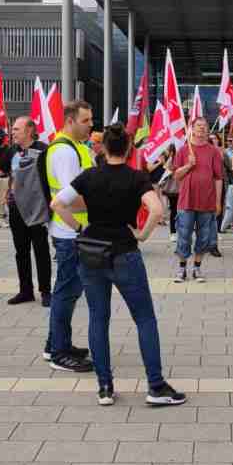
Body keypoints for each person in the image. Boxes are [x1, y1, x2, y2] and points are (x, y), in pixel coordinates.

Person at [50, 124, 186, 407]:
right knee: (144, 318)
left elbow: (57, 203)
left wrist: (78, 227)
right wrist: (142, 234)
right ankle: (156, 385)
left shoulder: (89, 176)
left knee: (98, 319)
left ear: (103, 148)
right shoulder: (136, 178)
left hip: (92, 253)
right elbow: (158, 210)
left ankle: (105, 387)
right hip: (125, 253)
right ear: (127, 148)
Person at [43, 100, 96, 373]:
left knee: (69, 291)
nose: (91, 125)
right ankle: (59, 353)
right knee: (66, 292)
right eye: (86, 120)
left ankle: (55, 344)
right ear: (70, 121)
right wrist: (101, 203)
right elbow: (68, 198)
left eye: (91, 120)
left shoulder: (74, 147)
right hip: (70, 231)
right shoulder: (65, 151)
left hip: (71, 230)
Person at [0, 117, 51, 306]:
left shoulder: (44, 149)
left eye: (16, 129)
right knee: (21, 251)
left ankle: (46, 291)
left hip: (37, 208)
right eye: (12, 129)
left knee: (41, 249)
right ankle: (25, 291)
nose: (12, 132)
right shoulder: (11, 151)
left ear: (30, 130)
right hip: (16, 208)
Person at [172, 118, 224, 282]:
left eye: (204, 126)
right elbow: (176, 175)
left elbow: (218, 178)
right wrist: (188, 165)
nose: (202, 129)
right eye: (198, 126)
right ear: (191, 129)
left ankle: (197, 268)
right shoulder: (183, 150)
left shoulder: (213, 151)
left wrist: (217, 202)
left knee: (204, 236)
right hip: (186, 201)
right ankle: (182, 269)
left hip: (207, 201)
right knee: (184, 234)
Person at [159, 147, 180, 241]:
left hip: (183, 188)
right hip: (173, 189)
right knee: (174, 211)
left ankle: (180, 231)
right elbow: (166, 169)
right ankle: (173, 232)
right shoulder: (172, 159)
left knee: (183, 212)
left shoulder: (185, 156)